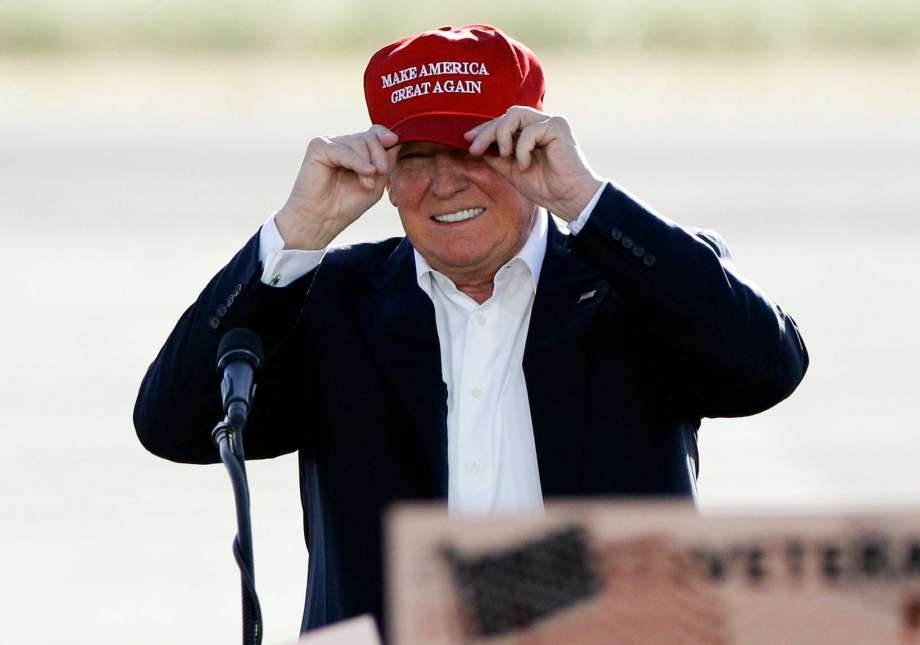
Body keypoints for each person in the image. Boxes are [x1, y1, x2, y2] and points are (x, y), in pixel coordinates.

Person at [134, 24, 809, 637]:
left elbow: (765, 367)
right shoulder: (336, 301)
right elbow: (173, 422)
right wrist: (294, 234)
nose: (444, 182)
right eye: (417, 157)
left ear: (530, 145)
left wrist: (586, 200)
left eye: (473, 149)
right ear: (386, 176)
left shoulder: (632, 280)